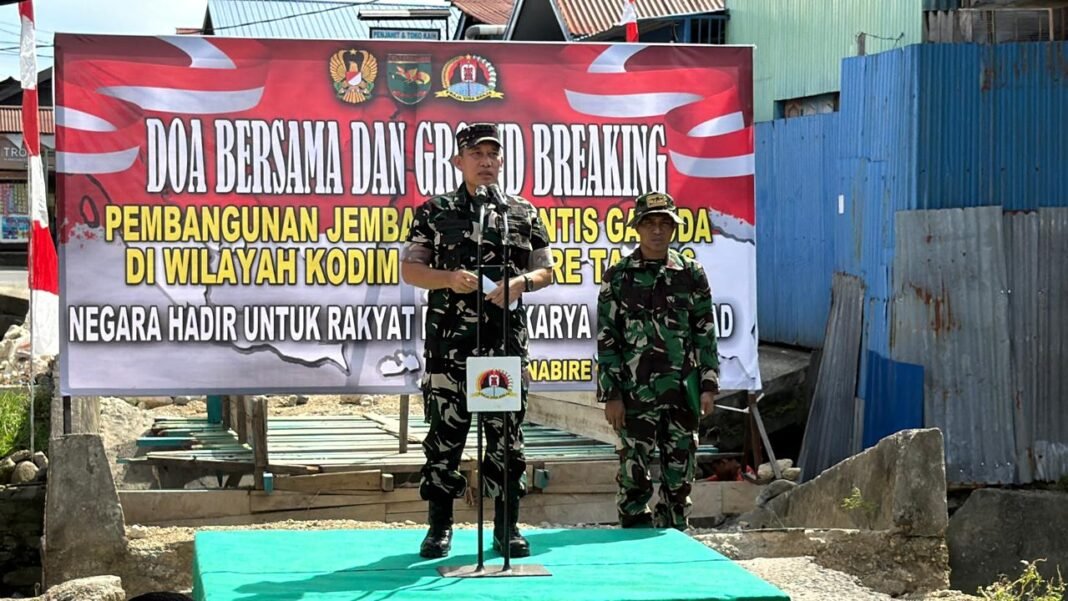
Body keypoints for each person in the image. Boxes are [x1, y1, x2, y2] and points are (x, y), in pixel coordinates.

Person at [401, 123, 554, 558]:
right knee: (445, 438)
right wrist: (448, 278)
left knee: (505, 438)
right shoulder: (435, 211)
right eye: (476, 154)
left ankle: (507, 528)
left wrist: (522, 282)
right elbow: (411, 270)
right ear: (458, 161)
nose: (486, 162)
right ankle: (439, 527)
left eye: (493, 154)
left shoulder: (521, 212)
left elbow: (547, 269)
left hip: (501, 347)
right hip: (451, 347)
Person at [596, 191, 720, 531]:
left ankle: (674, 536)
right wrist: (612, 395)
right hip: (636, 396)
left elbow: (704, 332)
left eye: (664, 223)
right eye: (649, 223)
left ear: (674, 228)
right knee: (633, 475)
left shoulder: (691, 274)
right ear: (637, 228)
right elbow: (608, 338)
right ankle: (632, 537)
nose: (656, 231)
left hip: (681, 393)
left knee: (679, 476)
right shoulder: (618, 276)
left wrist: (708, 386)